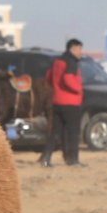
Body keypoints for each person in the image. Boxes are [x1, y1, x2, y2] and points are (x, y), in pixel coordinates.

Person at [40, 40, 87, 168]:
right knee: (73, 132)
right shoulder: (70, 62)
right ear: (73, 49)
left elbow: (48, 77)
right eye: (79, 49)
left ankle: (46, 158)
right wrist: (79, 89)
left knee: (55, 132)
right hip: (70, 103)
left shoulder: (57, 61)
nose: (80, 52)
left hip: (56, 101)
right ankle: (73, 160)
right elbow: (68, 78)